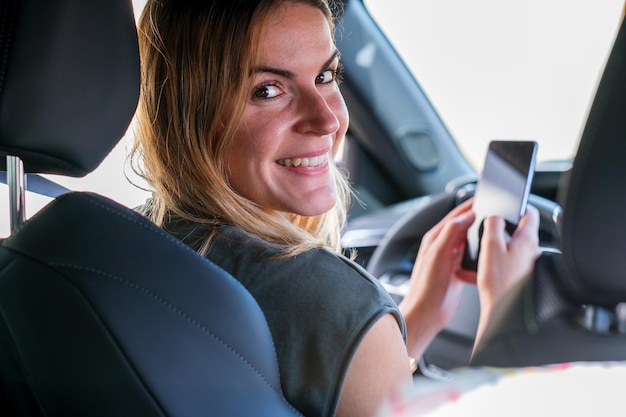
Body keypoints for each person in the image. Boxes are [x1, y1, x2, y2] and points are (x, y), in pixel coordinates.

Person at [131, 1, 540, 416]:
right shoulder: (331, 300)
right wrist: (507, 324)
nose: (327, 120)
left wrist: (411, 321)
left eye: (325, 76)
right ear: (190, 112)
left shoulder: (118, 242)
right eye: (268, 90)